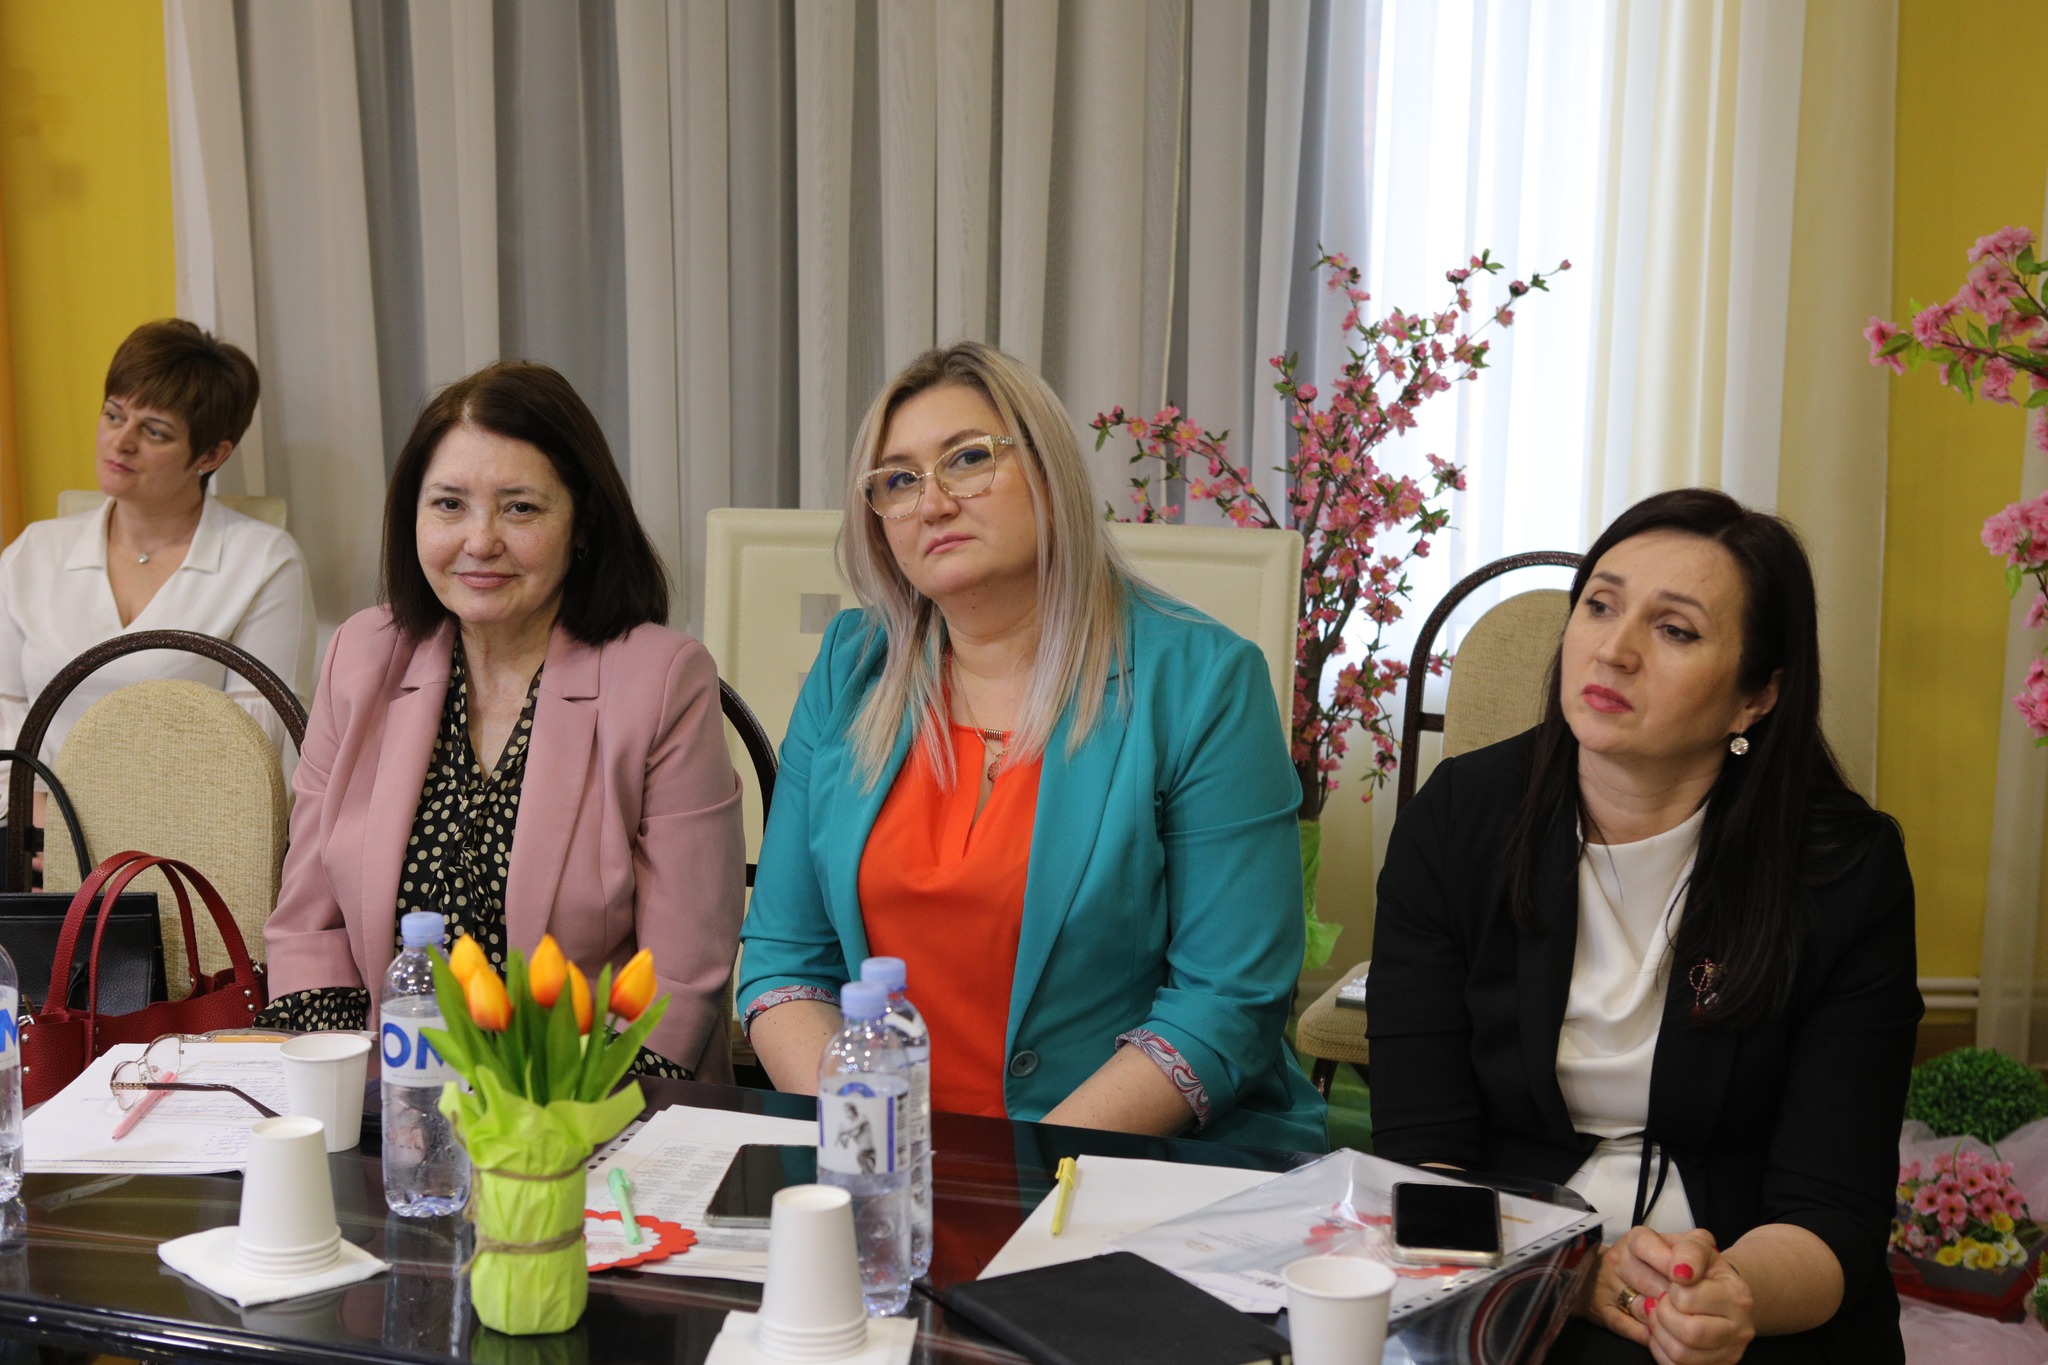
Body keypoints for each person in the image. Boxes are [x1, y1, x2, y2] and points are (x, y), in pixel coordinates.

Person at [1368, 488, 1920, 1363]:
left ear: (1756, 697)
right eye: (1600, 604)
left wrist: (1727, 1294)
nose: (1614, 650)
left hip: (1750, 1280)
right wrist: (1567, 1271)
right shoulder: (1460, 821)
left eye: (1675, 629)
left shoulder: (1844, 869)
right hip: (1503, 1261)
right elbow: (1421, 1153)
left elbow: (1833, 1207)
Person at [737, 341, 1325, 1151]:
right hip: (884, 1156)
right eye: (899, 480)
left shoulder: (1204, 681)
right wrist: (876, 1147)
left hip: (1130, 1157)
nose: (932, 502)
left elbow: (1226, 1001)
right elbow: (784, 963)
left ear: (1050, 472)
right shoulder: (849, 668)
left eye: (968, 459)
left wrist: (1013, 1173)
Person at [260, 361, 746, 1080]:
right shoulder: (361, 656)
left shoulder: (663, 679)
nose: (480, 540)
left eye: (520, 508)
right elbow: (310, 924)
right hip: (393, 1093)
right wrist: (347, 1093)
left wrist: (554, 1121)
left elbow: (681, 968)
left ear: (582, 524)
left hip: (588, 1099)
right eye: (449, 505)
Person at [0, 319, 314, 773]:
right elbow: (4, 723)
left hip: (195, 815)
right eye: (114, 415)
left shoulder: (264, 562)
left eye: (155, 432)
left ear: (211, 456)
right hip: (35, 811)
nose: (121, 442)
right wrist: (42, 817)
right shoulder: (34, 551)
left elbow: (256, 756)